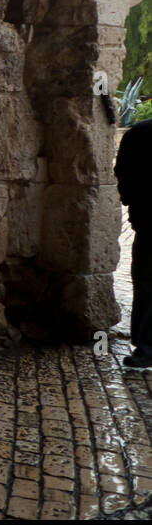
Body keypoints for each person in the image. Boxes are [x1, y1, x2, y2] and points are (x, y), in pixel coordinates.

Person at [115, 118, 152, 369]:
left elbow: (123, 172)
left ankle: (146, 347)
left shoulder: (138, 133)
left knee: (146, 283)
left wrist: (130, 199)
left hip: (148, 220)